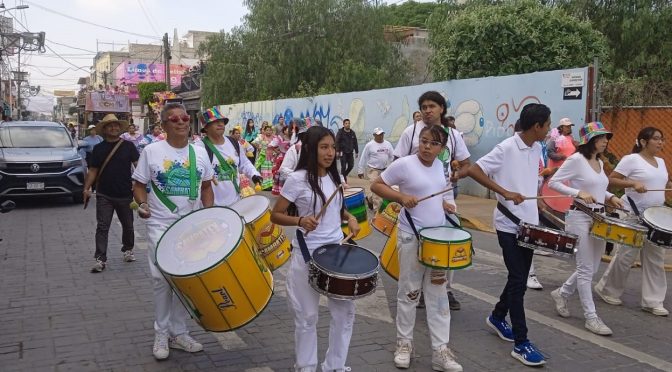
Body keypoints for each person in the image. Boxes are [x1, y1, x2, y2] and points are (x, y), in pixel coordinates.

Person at [371, 125, 462, 372]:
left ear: (441, 149)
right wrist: (400, 198)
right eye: (423, 141)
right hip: (411, 237)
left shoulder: (440, 168)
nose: (426, 147)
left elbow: (436, 194)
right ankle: (404, 344)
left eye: (433, 144)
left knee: (438, 296)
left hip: (437, 242)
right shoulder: (405, 164)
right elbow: (377, 186)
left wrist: (445, 204)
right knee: (409, 293)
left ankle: (440, 351)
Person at [270, 125, 360, 372]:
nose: (330, 153)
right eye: (324, 147)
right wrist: (300, 220)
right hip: (307, 255)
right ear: (310, 149)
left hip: (335, 254)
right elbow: (276, 215)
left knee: (344, 315)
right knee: (307, 317)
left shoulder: (336, 177)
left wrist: (349, 217)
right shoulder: (297, 180)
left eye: (332, 147)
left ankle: (335, 366)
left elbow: (336, 209)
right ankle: (306, 366)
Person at [467, 103, 551, 366]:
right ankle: (521, 342)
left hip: (530, 225)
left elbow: (527, 180)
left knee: (519, 277)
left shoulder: (537, 147)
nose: (549, 129)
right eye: (547, 125)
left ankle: (497, 316)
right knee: (518, 281)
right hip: (508, 225)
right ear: (536, 126)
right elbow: (474, 170)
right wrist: (503, 192)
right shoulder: (506, 148)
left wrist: (538, 203)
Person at [132, 102, 214, 360]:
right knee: (160, 279)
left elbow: (207, 188)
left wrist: (207, 214)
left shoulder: (199, 153)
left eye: (184, 119)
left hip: (190, 226)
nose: (181, 122)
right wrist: (143, 204)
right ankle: (161, 332)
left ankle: (179, 333)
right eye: (175, 119)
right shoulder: (152, 151)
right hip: (160, 223)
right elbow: (139, 184)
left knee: (184, 279)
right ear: (164, 125)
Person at [548, 121, 624, 336]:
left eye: (606, 137)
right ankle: (591, 317)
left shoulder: (599, 162)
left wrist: (611, 197)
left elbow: (598, 188)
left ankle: (562, 293)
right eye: (600, 138)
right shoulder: (576, 160)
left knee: (593, 267)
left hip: (599, 217)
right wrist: (577, 193)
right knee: (585, 268)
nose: (605, 141)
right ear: (589, 140)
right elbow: (554, 183)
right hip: (579, 216)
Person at [397, 91, 470, 311]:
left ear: (441, 109)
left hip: (446, 197)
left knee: (447, 243)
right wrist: (400, 195)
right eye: (424, 107)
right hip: (417, 200)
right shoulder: (410, 133)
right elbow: (397, 165)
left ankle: (445, 288)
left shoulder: (454, 136)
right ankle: (415, 289)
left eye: (432, 106)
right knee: (417, 245)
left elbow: (466, 164)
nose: (428, 111)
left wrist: (458, 174)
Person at [595, 127, 671, 317]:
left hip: (656, 218)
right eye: (656, 139)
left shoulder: (661, 162)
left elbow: (662, 184)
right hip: (634, 215)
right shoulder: (631, 160)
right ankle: (608, 290)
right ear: (643, 142)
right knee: (626, 256)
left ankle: (653, 301)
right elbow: (611, 180)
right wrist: (632, 184)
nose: (661, 142)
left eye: (662, 139)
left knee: (655, 259)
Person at [83, 114, 140, 272]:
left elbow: (138, 166)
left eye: (115, 125)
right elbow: (93, 170)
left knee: (128, 225)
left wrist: (139, 184)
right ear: (105, 129)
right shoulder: (99, 149)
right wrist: (86, 188)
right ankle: (100, 259)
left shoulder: (128, 146)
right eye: (110, 126)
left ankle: (128, 249)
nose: (113, 128)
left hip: (125, 193)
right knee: (102, 226)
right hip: (104, 194)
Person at [196, 107, 262, 207]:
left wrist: (254, 174)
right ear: (206, 127)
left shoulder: (233, 143)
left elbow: (244, 163)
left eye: (222, 121)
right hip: (211, 207)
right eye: (215, 121)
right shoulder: (199, 147)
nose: (220, 124)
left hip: (235, 203)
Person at [357, 127, 394, 211]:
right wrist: (360, 170)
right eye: (378, 135)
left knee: (383, 190)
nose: (381, 136)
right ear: (374, 135)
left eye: (382, 134)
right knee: (377, 192)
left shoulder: (388, 144)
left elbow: (392, 156)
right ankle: (377, 212)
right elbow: (363, 157)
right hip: (373, 170)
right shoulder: (369, 145)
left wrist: (392, 167)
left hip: (384, 170)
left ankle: (369, 199)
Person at [272, 124, 297, 195]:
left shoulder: (294, 137)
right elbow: (271, 146)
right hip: (282, 158)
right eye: (287, 129)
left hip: (291, 158)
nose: (289, 130)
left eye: (289, 129)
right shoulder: (280, 138)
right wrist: (277, 151)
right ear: (283, 131)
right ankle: (281, 191)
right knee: (281, 174)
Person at [252, 121, 276, 190]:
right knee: (265, 171)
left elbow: (277, 146)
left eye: (270, 130)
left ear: (272, 131)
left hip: (272, 157)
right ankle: (264, 186)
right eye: (267, 130)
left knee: (271, 171)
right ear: (264, 131)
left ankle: (271, 185)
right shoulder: (261, 137)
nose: (268, 132)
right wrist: (259, 148)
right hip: (264, 157)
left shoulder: (274, 138)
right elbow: (254, 142)